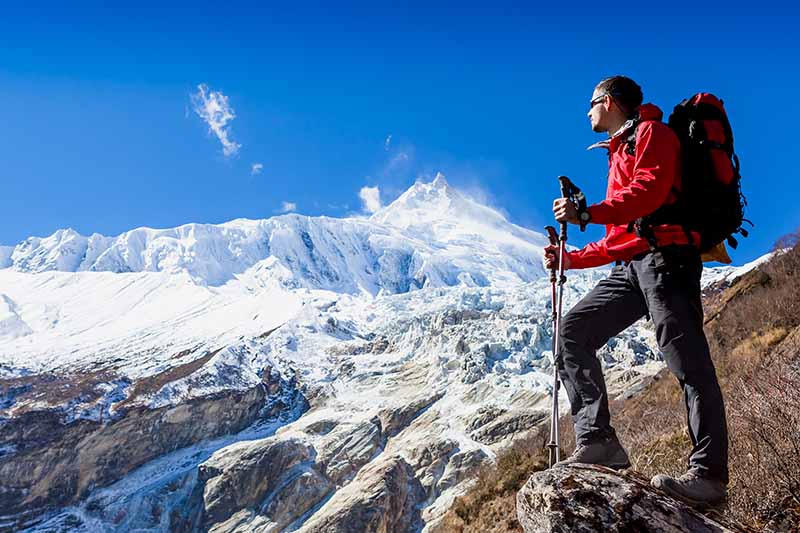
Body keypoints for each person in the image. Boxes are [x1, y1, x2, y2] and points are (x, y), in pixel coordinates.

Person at [544, 75, 729, 506]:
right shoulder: (620, 150)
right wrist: (569, 258)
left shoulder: (653, 134)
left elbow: (648, 192)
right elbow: (618, 237)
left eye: (590, 103)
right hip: (634, 265)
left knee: (689, 363)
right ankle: (598, 443)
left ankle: (710, 476)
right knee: (572, 332)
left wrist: (587, 211)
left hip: (668, 258)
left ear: (608, 102)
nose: (587, 112)